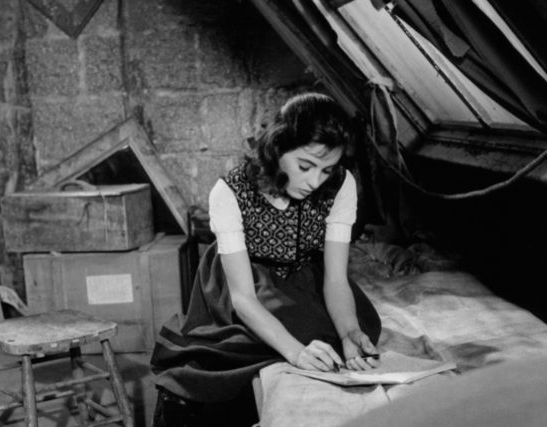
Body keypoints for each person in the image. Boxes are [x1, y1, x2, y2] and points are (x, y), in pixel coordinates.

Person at [150, 92, 382, 427]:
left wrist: (348, 331)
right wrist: (295, 352)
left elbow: (335, 278)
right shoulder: (230, 192)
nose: (315, 181)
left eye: (326, 169)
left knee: (350, 334)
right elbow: (243, 297)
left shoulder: (341, 184)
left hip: (304, 276)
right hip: (242, 282)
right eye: (305, 166)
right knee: (241, 349)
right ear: (278, 149)